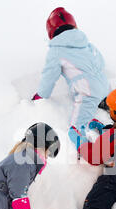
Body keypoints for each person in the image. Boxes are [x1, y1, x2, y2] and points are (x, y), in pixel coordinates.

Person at [32, 7, 109, 143]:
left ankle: (90, 154)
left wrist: (41, 95)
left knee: (76, 129)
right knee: (94, 107)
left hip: (87, 94)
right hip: (104, 87)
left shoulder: (56, 51)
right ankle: (106, 123)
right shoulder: (88, 45)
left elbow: (49, 77)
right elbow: (101, 62)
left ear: (51, 33)